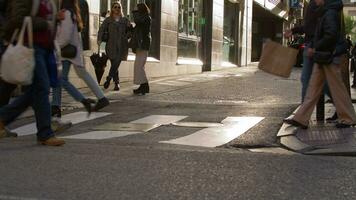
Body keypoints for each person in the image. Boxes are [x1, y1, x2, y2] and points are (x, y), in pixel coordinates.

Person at [0, 0, 65, 145]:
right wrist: (47, 22)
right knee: (42, 88)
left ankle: (3, 118)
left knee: (34, 93)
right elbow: (17, 19)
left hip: (45, 49)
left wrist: (55, 19)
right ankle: (45, 133)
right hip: (30, 47)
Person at [284, 0, 356, 129]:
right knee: (313, 87)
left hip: (327, 56)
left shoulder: (329, 13)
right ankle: (301, 118)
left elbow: (331, 35)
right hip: (323, 56)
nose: (314, 1)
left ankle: (349, 118)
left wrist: (315, 48)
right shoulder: (326, 11)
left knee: (335, 88)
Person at [52, 0, 110, 117]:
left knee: (63, 79)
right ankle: (55, 106)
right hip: (69, 53)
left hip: (68, 52)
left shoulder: (67, 14)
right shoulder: (71, 13)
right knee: (62, 78)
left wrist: (55, 46)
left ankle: (86, 100)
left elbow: (65, 37)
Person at [284, 0, 322, 102]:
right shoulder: (313, 4)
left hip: (315, 47)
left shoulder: (318, 4)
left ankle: (344, 110)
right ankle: (303, 113)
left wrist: (314, 45)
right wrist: (293, 31)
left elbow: (319, 27)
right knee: (308, 79)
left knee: (311, 80)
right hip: (312, 45)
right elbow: (309, 27)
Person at [97, 1, 131, 91]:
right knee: (114, 64)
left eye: (119, 7)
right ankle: (116, 83)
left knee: (116, 63)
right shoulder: (108, 20)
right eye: (115, 7)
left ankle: (108, 79)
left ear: (121, 9)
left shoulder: (125, 20)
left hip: (122, 45)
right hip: (111, 45)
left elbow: (130, 31)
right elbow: (101, 29)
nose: (117, 9)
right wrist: (99, 39)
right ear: (112, 9)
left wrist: (127, 35)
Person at [131, 3, 151, 95]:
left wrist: (134, 12)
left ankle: (145, 86)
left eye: (137, 9)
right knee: (138, 66)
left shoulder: (146, 18)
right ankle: (143, 86)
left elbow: (138, 21)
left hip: (143, 45)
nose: (135, 10)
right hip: (141, 45)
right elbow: (136, 28)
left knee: (139, 66)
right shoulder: (143, 18)